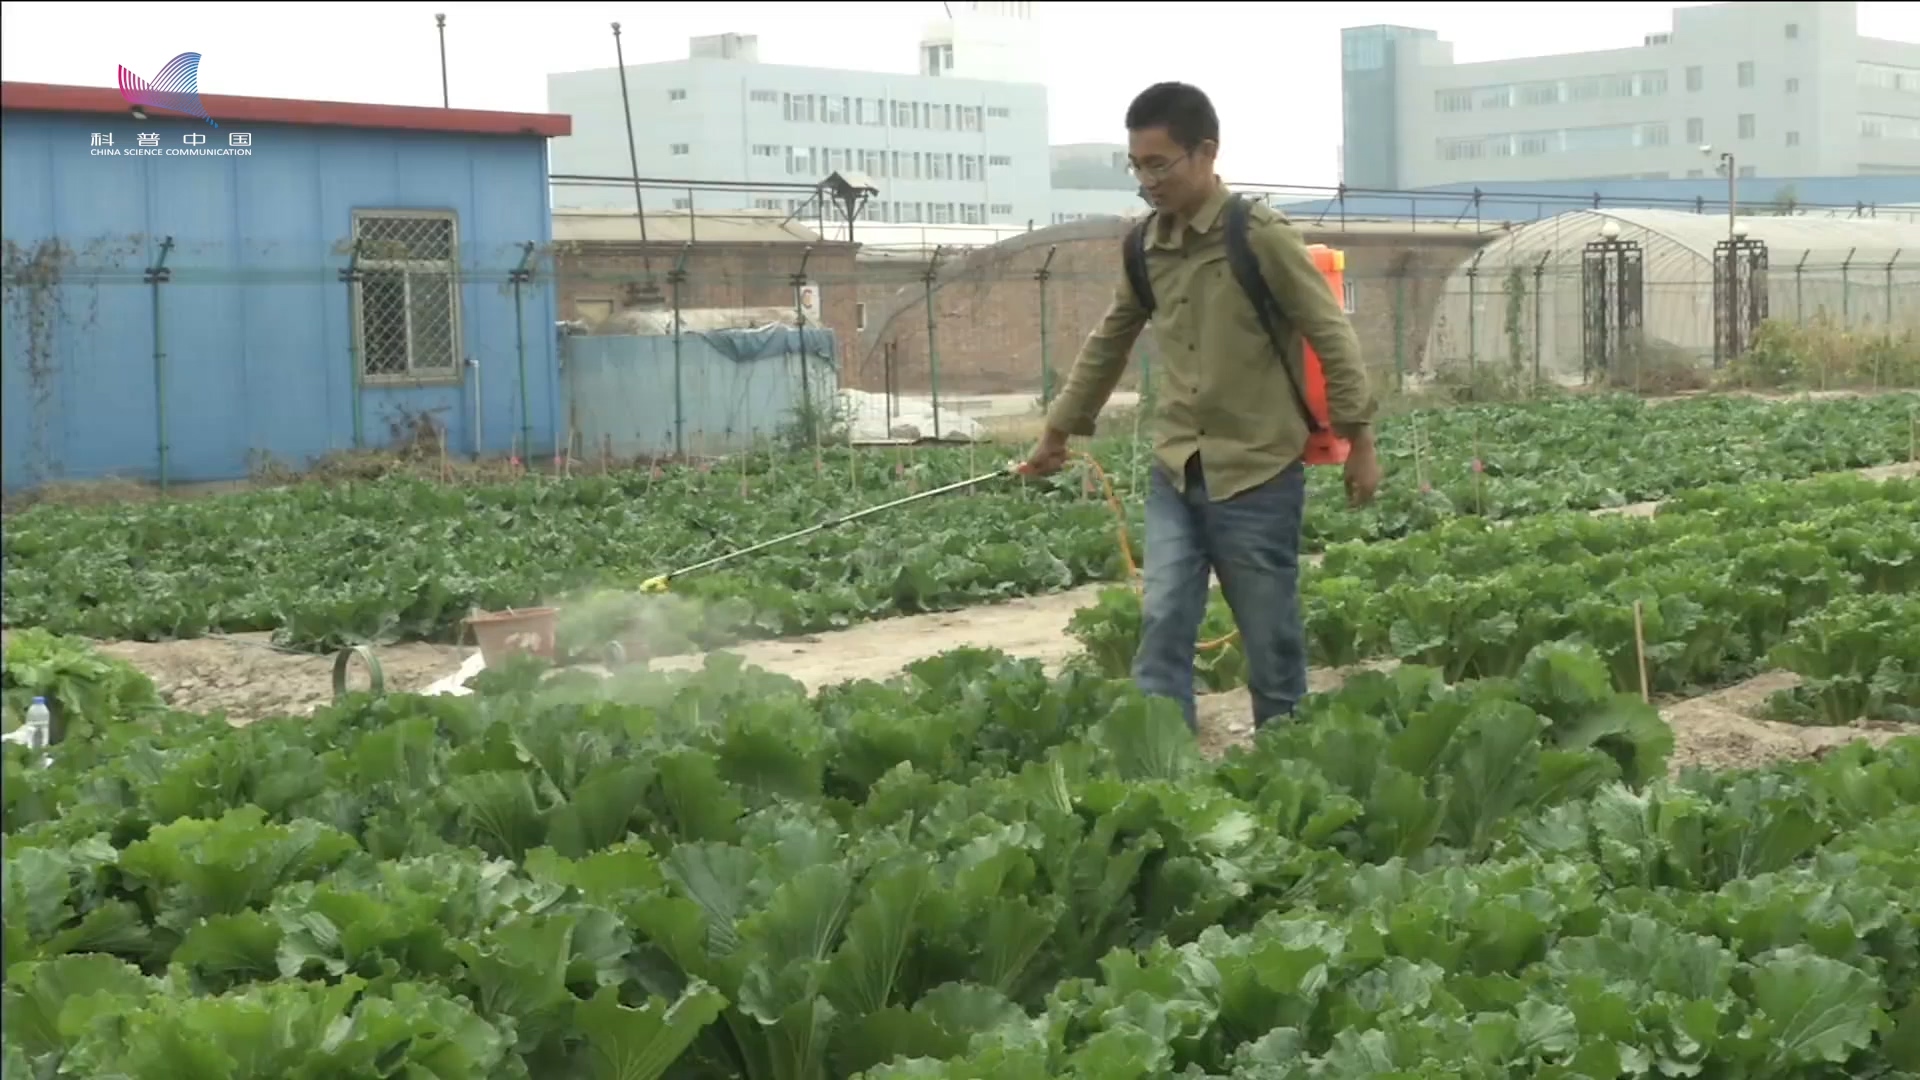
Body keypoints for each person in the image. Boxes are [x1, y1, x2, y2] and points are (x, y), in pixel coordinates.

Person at [1018, 81, 1380, 733]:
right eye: (1137, 166)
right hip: (1176, 469)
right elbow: (1110, 339)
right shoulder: (1143, 248)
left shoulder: (1257, 235)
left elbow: (1329, 331)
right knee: (1162, 622)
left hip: (1257, 471)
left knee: (1270, 640)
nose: (1147, 181)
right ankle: (1164, 764)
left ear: (1206, 152)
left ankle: (1287, 756)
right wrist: (1057, 431)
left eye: (1160, 164)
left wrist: (1360, 443)